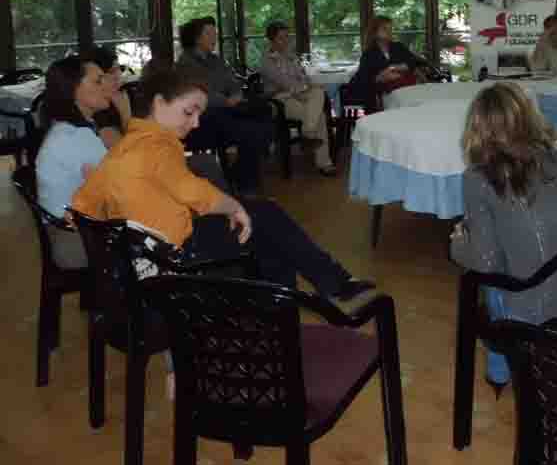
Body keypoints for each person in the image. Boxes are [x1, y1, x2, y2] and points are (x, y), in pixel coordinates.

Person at [70, 66, 374, 302]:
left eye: (198, 114)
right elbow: (192, 191)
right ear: (158, 103)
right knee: (261, 220)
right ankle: (301, 299)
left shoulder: (128, 144)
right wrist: (233, 207)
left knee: (263, 223)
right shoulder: (154, 145)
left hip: (142, 254)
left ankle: (288, 303)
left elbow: (83, 203)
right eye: (189, 111)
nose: (196, 123)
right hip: (170, 257)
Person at [450, 82, 557, 391]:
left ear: (477, 129)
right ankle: (500, 370)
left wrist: (457, 242)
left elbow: (487, 262)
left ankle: (501, 371)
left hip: (538, 314)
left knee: (490, 278)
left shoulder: (479, 179)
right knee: (509, 255)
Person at [176, 17, 274, 194]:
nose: (214, 37)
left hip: (227, 109)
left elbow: (233, 82)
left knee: (264, 111)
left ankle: (239, 172)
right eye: (209, 33)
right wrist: (226, 100)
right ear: (197, 38)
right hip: (203, 118)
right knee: (251, 131)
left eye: (215, 33)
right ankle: (244, 182)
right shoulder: (186, 62)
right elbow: (199, 93)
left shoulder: (216, 60)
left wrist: (236, 93)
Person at [34, 56, 110, 267]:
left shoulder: (69, 128)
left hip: (74, 232)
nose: (107, 85)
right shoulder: (75, 136)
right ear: (73, 90)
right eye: (97, 81)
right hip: (76, 242)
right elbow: (121, 185)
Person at [258, 22, 336, 176]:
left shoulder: (292, 57)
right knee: (319, 115)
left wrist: (305, 88)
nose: (286, 41)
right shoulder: (267, 61)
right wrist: (301, 91)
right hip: (281, 101)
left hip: (300, 95)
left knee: (318, 91)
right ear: (271, 40)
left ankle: (308, 133)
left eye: (287, 37)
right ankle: (324, 162)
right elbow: (283, 83)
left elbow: (304, 77)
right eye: (281, 38)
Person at [348, 16, 426, 112]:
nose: (389, 32)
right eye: (385, 29)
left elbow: (414, 62)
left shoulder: (398, 47)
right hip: (381, 94)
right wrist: (380, 77)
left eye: (390, 29)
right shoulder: (369, 54)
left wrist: (397, 67)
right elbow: (363, 78)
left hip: (406, 89)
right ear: (375, 32)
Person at [82, 45, 132, 148]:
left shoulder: (121, 99)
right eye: (111, 71)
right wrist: (126, 115)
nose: (118, 76)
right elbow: (130, 154)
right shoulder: (96, 112)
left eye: (119, 69)